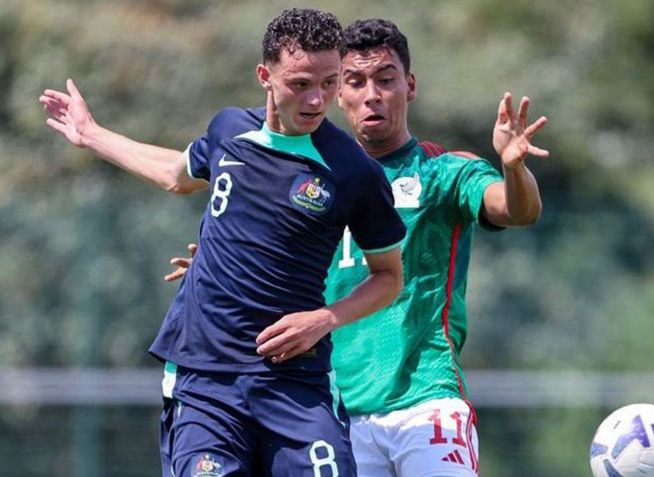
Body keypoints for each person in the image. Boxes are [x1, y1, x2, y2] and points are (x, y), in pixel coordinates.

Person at [167, 18, 548, 477]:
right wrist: (213, 266)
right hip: (332, 406)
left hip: (425, 402)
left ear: (409, 86)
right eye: (355, 81)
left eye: (386, 80)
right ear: (337, 94)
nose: (372, 94)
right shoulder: (306, 177)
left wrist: (513, 169)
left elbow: (514, 209)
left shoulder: (444, 171)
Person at [40, 9, 407, 477]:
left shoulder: (354, 172)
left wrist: (324, 319)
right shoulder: (229, 131)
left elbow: (389, 276)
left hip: (295, 383)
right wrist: (91, 135)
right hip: (206, 381)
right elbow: (175, 176)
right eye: (300, 84)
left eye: (330, 83)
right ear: (265, 77)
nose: (317, 99)